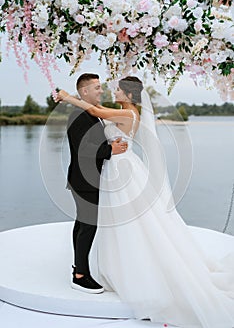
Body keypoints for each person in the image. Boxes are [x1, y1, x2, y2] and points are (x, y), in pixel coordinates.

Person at [56, 77, 234, 328]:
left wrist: (67, 96)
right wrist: (108, 148)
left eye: (117, 88)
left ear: (129, 95)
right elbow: (92, 131)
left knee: (129, 221)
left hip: (121, 170)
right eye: (101, 87)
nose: (110, 90)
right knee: (103, 221)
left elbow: (96, 111)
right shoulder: (119, 111)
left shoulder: (128, 114)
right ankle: (86, 271)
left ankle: (124, 269)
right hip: (109, 170)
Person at [65, 73, 128, 294]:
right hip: (83, 180)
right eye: (97, 88)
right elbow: (84, 149)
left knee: (83, 224)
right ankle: (80, 275)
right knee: (88, 226)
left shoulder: (91, 113)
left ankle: (78, 269)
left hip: (86, 179)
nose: (101, 91)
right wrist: (111, 150)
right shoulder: (79, 115)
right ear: (84, 92)